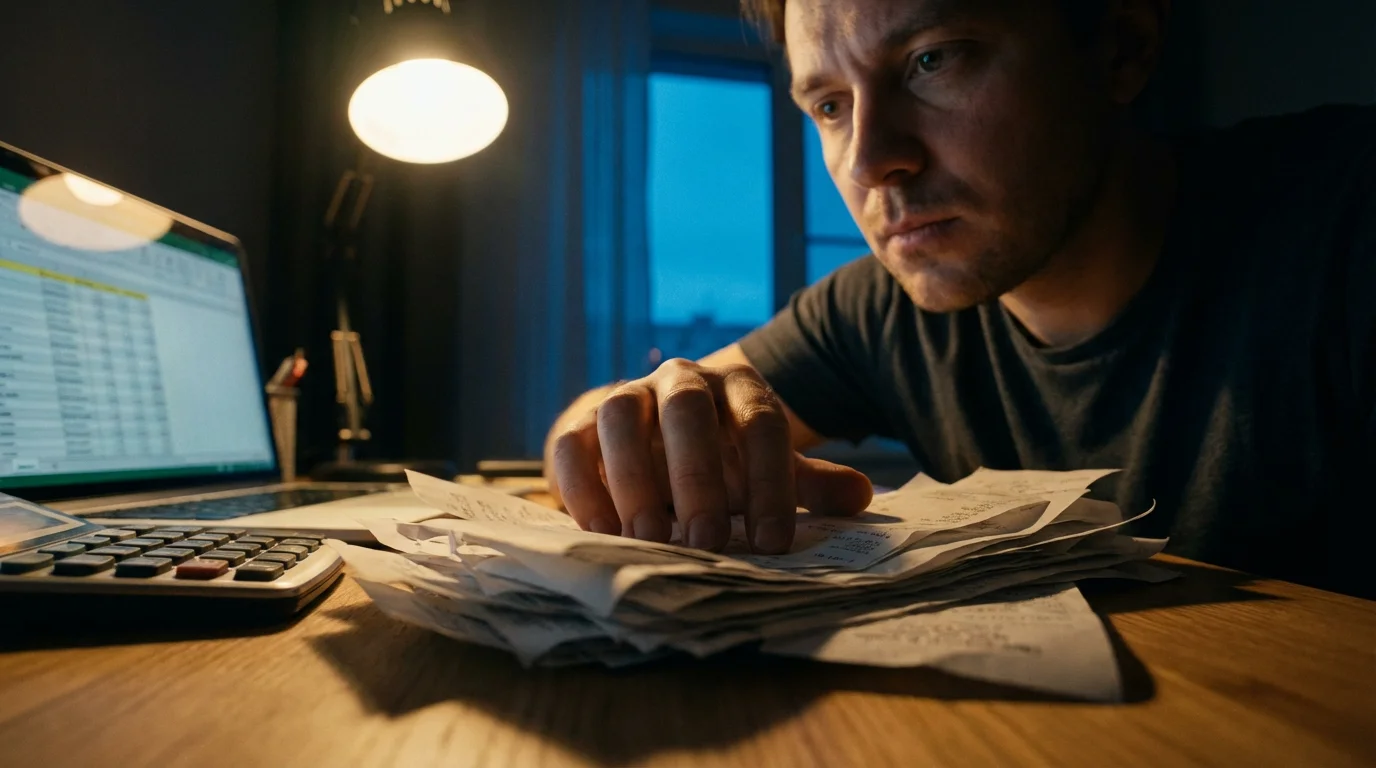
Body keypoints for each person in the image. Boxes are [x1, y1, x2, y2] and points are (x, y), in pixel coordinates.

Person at [544, 0, 1375, 597]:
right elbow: (600, 429)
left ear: (1120, 47)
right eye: (830, 105)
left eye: (932, 59)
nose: (871, 161)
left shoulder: (1345, 224)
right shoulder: (876, 307)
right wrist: (640, 428)